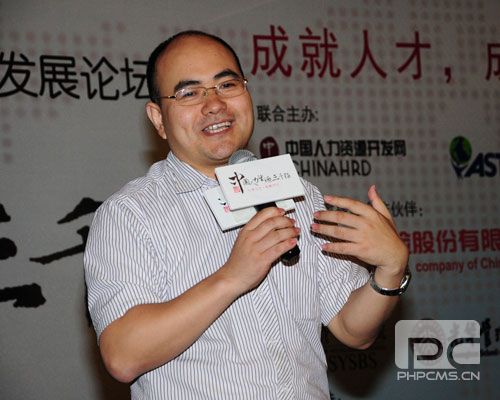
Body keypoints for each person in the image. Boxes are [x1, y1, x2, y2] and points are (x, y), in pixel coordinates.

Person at [84, 30, 409, 399]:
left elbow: (353, 329)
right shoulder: (130, 214)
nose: (214, 104)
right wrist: (232, 277)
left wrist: (390, 269)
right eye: (190, 93)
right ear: (158, 118)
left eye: (227, 84)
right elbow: (123, 355)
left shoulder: (298, 194)